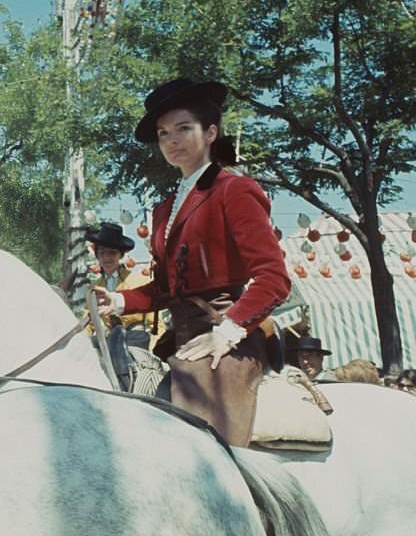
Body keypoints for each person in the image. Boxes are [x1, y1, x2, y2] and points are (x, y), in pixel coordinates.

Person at [97, 77, 290, 447]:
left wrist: (228, 331)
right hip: (182, 338)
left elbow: (274, 279)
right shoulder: (165, 209)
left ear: (211, 132)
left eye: (184, 128)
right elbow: (168, 289)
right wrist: (120, 301)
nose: (171, 140)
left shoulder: (234, 190)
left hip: (226, 337)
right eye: (163, 132)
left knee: (207, 450)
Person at [86, 221, 162, 393]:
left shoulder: (140, 281)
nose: (106, 258)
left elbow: (156, 325)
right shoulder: (93, 289)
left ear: (120, 255)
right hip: (105, 343)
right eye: (102, 253)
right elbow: (88, 323)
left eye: (111, 253)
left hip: (136, 344)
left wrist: (153, 353)